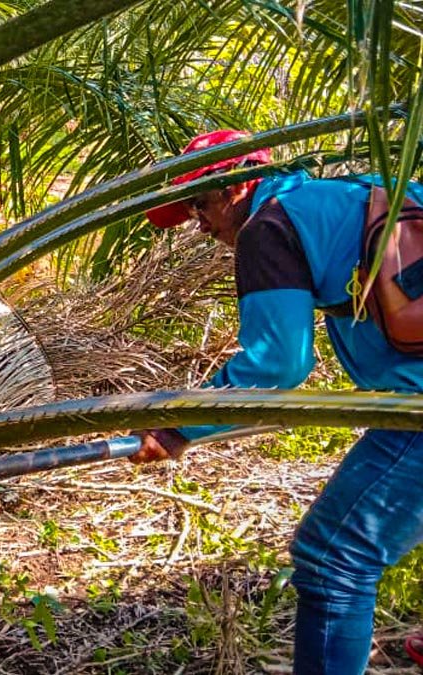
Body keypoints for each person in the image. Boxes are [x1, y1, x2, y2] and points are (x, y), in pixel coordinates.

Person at [133, 129, 423, 674]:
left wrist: (178, 426)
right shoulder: (355, 193)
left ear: (236, 186)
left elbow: (277, 366)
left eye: (200, 205)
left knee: (333, 559)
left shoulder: (269, 226)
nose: (200, 225)